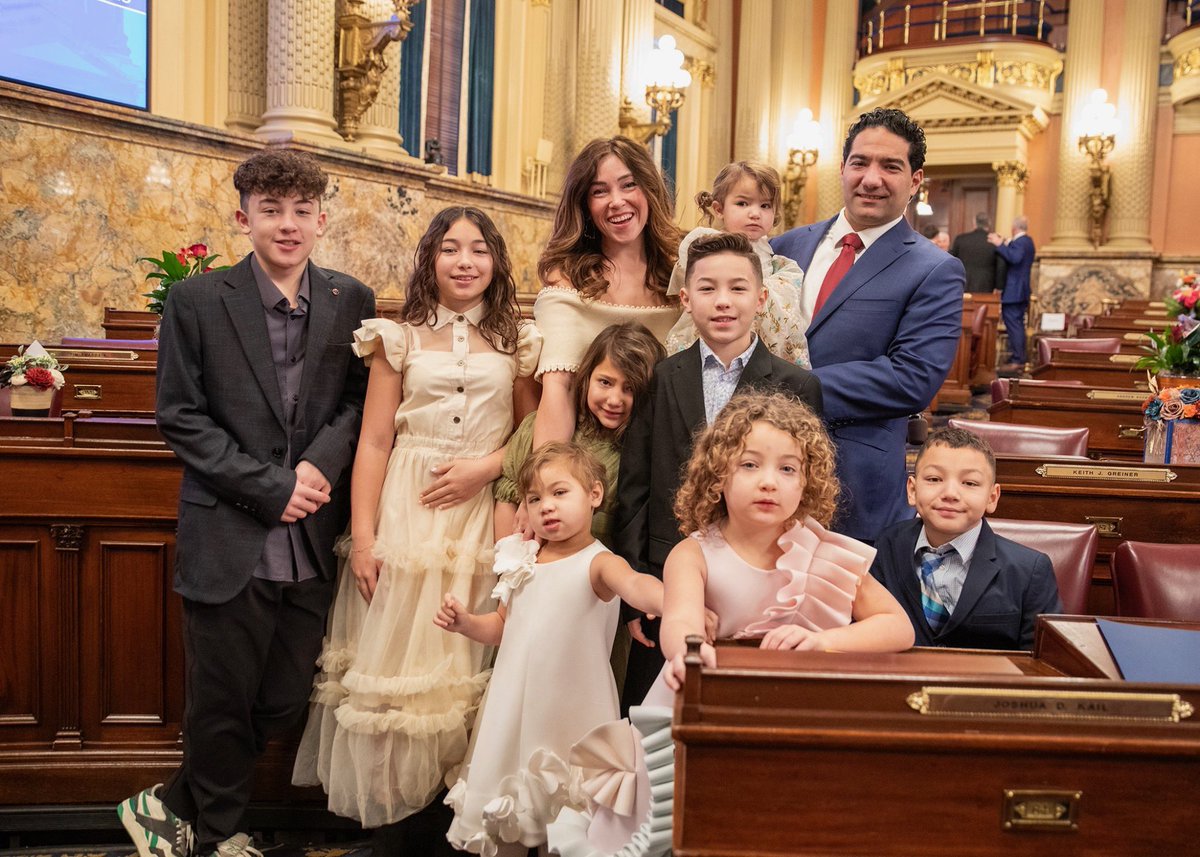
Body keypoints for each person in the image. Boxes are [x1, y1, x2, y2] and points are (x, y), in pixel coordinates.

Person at [118, 148, 375, 857]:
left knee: (285, 696)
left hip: (313, 536)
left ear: (322, 218)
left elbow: (359, 401)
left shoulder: (350, 299)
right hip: (231, 530)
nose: (287, 224)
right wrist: (272, 486)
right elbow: (181, 415)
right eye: (271, 210)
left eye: (301, 211)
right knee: (222, 699)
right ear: (243, 217)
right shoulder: (197, 300)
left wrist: (317, 465)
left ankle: (168, 804)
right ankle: (221, 834)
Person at [546, 393, 913, 856]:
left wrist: (824, 639)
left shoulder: (826, 553)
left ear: (807, 483)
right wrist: (689, 652)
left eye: (787, 469)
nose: (769, 483)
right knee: (681, 826)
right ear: (717, 476)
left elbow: (898, 627)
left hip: (793, 716)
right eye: (749, 465)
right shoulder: (694, 553)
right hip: (703, 702)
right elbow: (678, 621)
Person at [290, 207, 542, 845]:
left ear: (496, 262)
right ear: (430, 259)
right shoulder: (396, 338)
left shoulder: (518, 342)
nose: (465, 261)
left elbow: (529, 434)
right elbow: (374, 442)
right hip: (407, 510)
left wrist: (483, 469)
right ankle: (393, 825)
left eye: (479, 249)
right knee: (397, 665)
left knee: (464, 657)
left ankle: (451, 820)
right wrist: (367, 539)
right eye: (451, 248)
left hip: (481, 516)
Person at [613, 231, 823, 710]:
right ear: (686, 299)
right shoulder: (662, 378)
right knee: (665, 710)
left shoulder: (798, 385)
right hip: (668, 578)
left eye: (737, 288)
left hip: (761, 577)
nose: (723, 302)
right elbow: (635, 488)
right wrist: (637, 595)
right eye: (707, 288)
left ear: (762, 297)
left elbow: (806, 492)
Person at [437, 442, 665, 856]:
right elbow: (501, 626)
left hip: (572, 713)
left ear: (594, 495)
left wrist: (673, 599)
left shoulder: (599, 563)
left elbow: (636, 585)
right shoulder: (521, 558)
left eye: (560, 493)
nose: (547, 507)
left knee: (568, 827)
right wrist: (465, 623)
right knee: (506, 818)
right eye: (535, 498)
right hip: (514, 710)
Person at [770, 107, 965, 543]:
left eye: (890, 166)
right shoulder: (783, 248)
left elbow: (912, 377)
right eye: (860, 163)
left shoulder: (935, 269)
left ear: (915, 180)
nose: (871, 178)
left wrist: (790, 384)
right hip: (760, 469)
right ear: (842, 169)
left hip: (854, 478)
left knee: (846, 608)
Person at [532, 136, 682, 448]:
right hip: (583, 456)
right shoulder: (566, 280)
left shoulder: (680, 278)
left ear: (650, 191)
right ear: (585, 205)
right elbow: (558, 389)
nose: (617, 201)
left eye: (628, 185)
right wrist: (549, 484)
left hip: (661, 456)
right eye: (600, 191)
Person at [869, 427, 1061, 650]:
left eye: (969, 483)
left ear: (992, 497)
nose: (950, 493)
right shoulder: (888, 545)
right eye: (934, 478)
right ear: (912, 490)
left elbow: (1044, 658)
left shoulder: (1029, 570)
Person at [494, 321, 665, 545]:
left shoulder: (639, 457)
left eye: (630, 388)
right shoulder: (541, 426)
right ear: (586, 377)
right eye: (605, 382)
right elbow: (507, 496)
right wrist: (510, 562)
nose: (614, 400)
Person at [664, 161, 810, 367]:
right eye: (742, 204)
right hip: (712, 333)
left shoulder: (778, 261)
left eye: (765, 205)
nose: (755, 213)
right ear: (719, 209)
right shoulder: (705, 242)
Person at [989, 215, 1036, 370]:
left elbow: (1015, 258)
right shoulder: (1028, 241)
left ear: (1014, 228)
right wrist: (1008, 243)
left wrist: (1000, 245)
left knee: (1014, 325)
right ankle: (1018, 356)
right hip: (1021, 290)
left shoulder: (1020, 242)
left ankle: (1017, 359)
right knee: (1017, 324)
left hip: (1014, 291)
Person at [951, 212, 1007, 293]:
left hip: (962, 284)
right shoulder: (994, 241)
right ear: (988, 224)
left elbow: (953, 262)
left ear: (974, 223)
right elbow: (1001, 266)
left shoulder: (961, 239)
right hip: (987, 286)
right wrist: (999, 287)